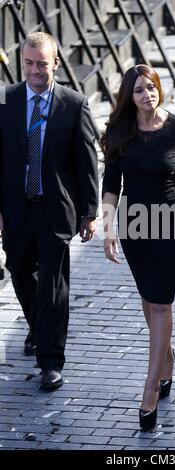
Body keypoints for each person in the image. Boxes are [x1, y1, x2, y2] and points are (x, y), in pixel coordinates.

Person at [101, 64, 175, 431]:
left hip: (171, 223)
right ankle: (167, 356)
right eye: (140, 90)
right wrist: (108, 227)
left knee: (161, 303)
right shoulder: (119, 132)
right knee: (148, 301)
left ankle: (149, 389)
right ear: (129, 98)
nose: (148, 94)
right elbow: (111, 182)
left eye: (152, 87)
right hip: (134, 225)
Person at [0, 33, 99, 389]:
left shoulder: (73, 103)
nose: (35, 70)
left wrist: (89, 211)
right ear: (21, 61)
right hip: (16, 207)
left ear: (55, 63)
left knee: (53, 286)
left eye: (42, 63)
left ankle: (51, 362)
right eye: (28, 63)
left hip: (56, 209)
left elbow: (86, 162)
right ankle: (36, 326)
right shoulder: (6, 99)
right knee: (21, 272)